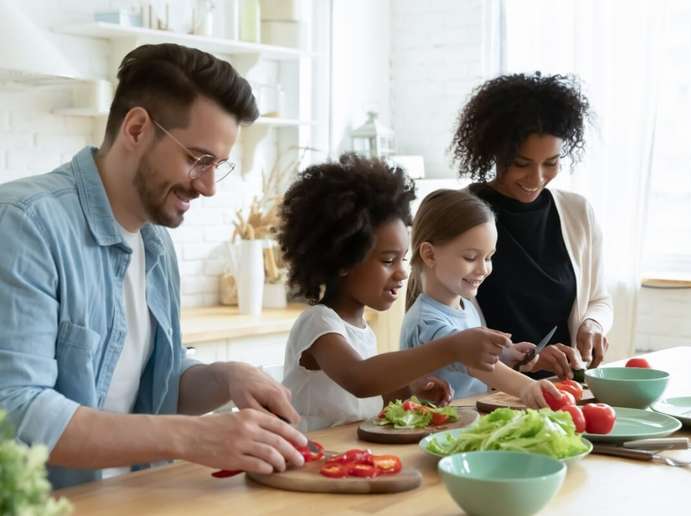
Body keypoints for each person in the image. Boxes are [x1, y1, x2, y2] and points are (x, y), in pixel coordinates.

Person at [0, 43, 308, 489]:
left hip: (131, 497)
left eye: (216, 166)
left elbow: (150, 385)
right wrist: (191, 437)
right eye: (198, 159)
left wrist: (224, 377)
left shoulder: (156, 243)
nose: (207, 187)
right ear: (138, 128)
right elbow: (17, 410)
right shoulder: (25, 225)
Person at [277, 154, 518, 431]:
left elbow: (360, 401)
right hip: (307, 457)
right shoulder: (319, 323)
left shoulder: (361, 329)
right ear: (344, 260)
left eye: (402, 260)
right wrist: (452, 348)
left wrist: (409, 390)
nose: (403, 272)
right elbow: (359, 380)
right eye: (388, 261)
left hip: (345, 457)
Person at [450, 72, 613, 379]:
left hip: (564, 389)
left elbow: (599, 299)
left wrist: (593, 323)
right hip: (487, 395)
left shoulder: (578, 213)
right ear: (493, 151)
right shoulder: (458, 214)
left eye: (551, 162)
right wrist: (522, 360)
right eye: (522, 164)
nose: (536, 178)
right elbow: (435, 330)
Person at [400, 189, 560, 406]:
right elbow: (472, 362)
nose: (484, 269)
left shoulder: (466, 306)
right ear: (429, 254)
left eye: (489, 257)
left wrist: (506, 355)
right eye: (471, 257)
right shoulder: (426, 321)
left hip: (465, 422)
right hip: (438, 432)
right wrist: (526, 386)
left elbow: (470, 363)